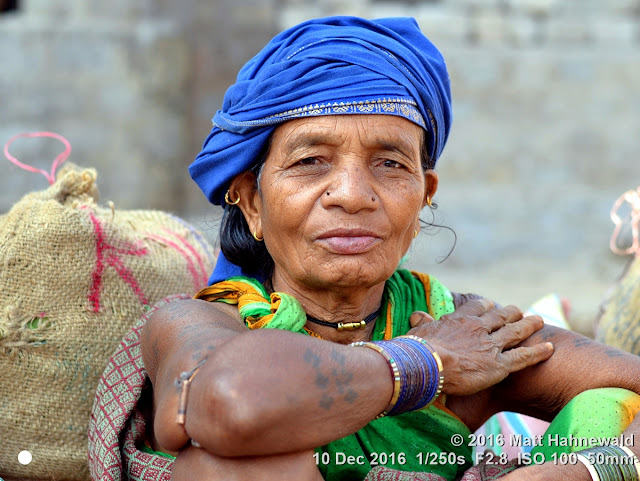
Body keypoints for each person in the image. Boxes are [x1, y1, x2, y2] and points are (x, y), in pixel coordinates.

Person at [139, 16, 640, 481]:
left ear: (424, 198)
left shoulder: (471, 334)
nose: (354, 195)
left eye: (391, 164)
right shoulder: (197, 324)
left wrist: (597, 467)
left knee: (609, 407)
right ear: (251, 202)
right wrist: (427, 363)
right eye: (311, 160)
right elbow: (230, 405)